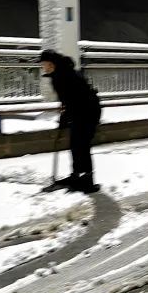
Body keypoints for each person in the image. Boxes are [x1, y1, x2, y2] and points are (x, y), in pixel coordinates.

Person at [39, 49, 102, 193]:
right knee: (75, 144)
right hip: (80, 111)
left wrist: (64, 119)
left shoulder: (64, 76)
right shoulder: (59, 75)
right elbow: (67, 102)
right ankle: (76, 176)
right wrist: (65, 117)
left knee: (82, 145)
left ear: (52, 63)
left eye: (45, 64)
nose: (43, 67)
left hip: (89, 112)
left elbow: (73, 100)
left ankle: (87, 180)